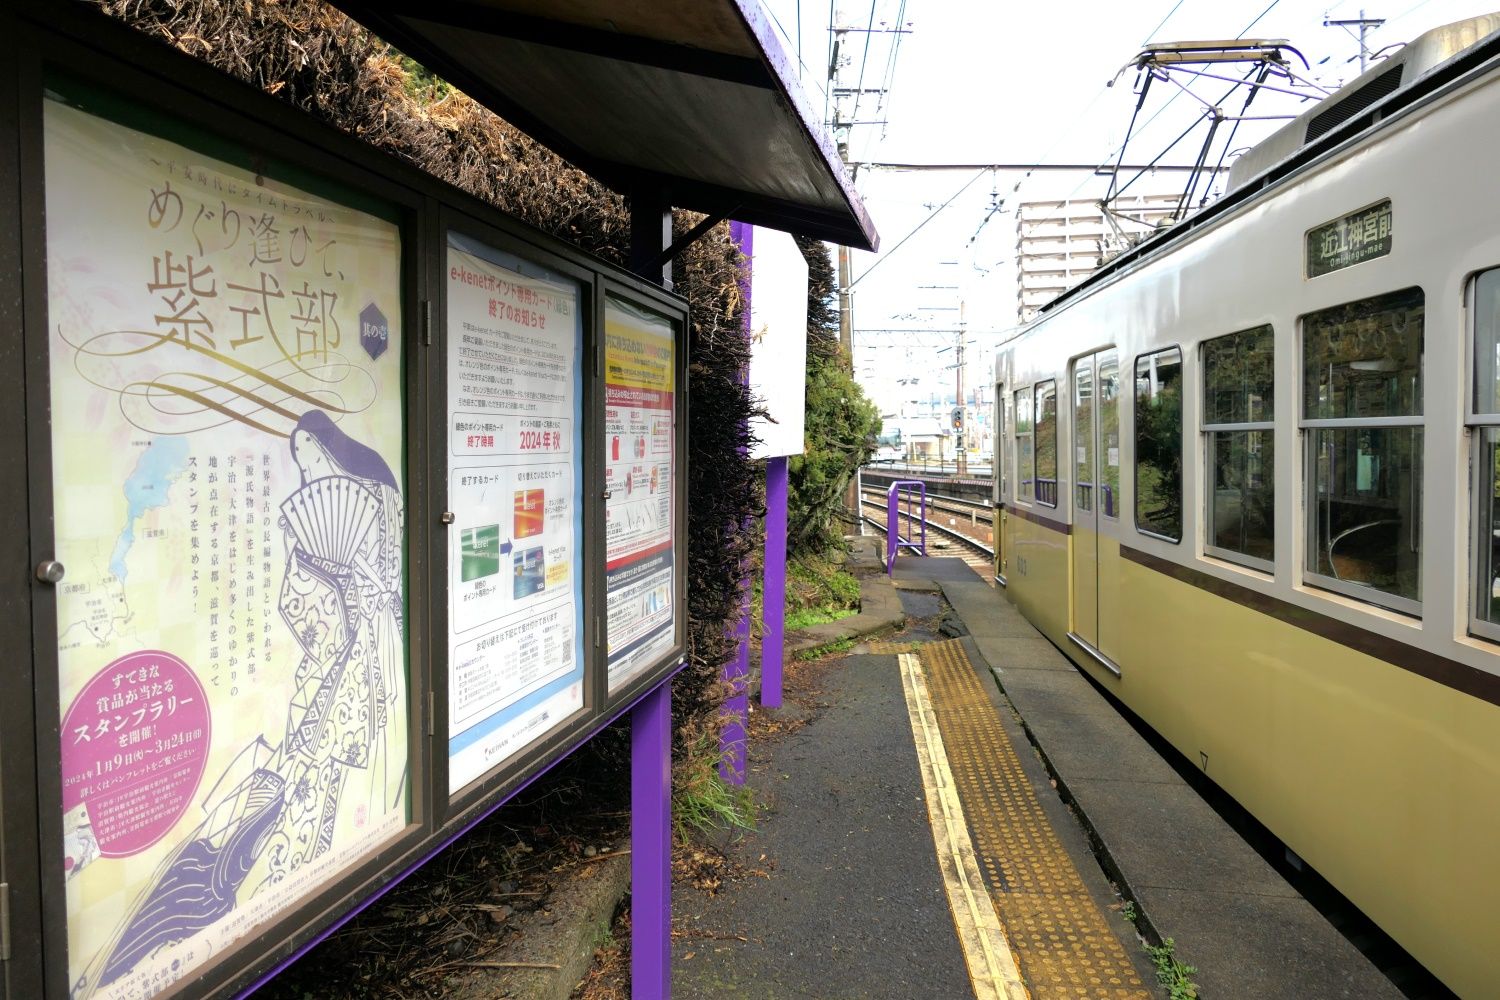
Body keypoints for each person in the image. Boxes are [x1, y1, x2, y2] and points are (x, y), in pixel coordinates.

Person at [83, 410, 405, 996]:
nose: (305, 467)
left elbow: (361, 602)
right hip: (317, 688)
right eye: (300, 457)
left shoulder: (369, 506)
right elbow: (301, 607)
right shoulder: (315, 533)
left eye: (310, 454)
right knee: (248, 824)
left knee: (299, 804)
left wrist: (352, 592)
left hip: (346, 683)